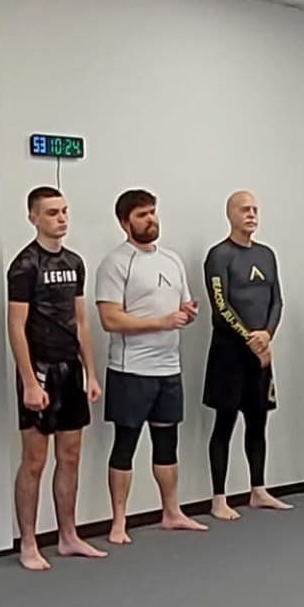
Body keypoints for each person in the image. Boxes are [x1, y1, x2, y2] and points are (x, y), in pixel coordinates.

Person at [91, 187, 206, 544]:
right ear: (125, 222)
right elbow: (110, 319)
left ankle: (171, 512)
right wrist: (162, 322)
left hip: (168, 368)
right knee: (126, 443)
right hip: (131, 369)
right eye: (142, 215)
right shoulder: (115, 263)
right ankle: (119, 522)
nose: (151, 219)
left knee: (167, 442)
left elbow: (181, 307)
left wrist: (186, 314)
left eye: (153, 212)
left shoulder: (172, 260)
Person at [6, 185, 106, 568]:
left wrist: (91, 373)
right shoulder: (24, 265)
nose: (61, 218)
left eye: (64, 211)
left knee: (71, 455)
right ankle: (29, 543)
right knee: (34, 460)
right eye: (52, 212)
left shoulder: (75, 262)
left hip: (71, 369)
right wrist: (30, 381)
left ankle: (68, 535)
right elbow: (16, 326)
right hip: (40, 369)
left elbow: (81, 321)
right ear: (33, 217)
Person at [200, 189, 289, 520]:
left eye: (254, 210)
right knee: (224, 423)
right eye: (244, 209)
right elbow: (220, 305)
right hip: (228, 353)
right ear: (230, 214)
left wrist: (267, 335)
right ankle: (219, 498)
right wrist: (250, 339)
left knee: (258, 421)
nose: (251, 215)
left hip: (260, 352)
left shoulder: (266, 254)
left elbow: (277, 300)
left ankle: (258, 490)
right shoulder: (219, 255)